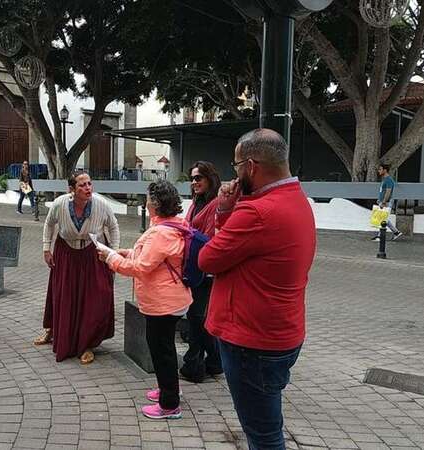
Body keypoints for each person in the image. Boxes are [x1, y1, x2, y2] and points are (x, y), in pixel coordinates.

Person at [199, 129, 316, 450]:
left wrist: (224, 211)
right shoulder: (296, 198)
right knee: (266, 428)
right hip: (281, 333)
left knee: (264, 437)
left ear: (251, 166)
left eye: (237, 166)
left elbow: (207, 259)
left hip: (251, 342)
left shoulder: (255, 212)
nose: (235, 175)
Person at [99, 180, 192, 419]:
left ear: (156, 204)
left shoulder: (161, 233)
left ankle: (169, 405)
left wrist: (110, 258)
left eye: (148, 199)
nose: (145, 202)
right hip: (170, 299)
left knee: (162, 351)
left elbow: (140, 267)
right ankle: (169, 388)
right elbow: (154, 258)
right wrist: (127, 253)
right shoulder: (171, 226)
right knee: (164, 348)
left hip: (163, 303)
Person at [35, 170, 120, 364]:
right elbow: (49, 224)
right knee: (62, 294)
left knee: (95, 297)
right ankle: (53, 330)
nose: (88, 188)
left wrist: (113, 254)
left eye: (89, 183)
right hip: (66, 251)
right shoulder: (60, 204)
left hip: (92, 252)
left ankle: (87, 343)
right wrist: (46, 249)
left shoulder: (101, 204)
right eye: (82, 185)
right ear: (71, 190)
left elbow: (113, 226)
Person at [179, 161, 223, 383]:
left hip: (205, 270)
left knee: (197, 317)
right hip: (194, 266)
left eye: (198, 178)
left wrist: (188, 233)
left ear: (209, 179)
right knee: (198, 318)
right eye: (192, 178)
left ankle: (193, 365)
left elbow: (208, 238)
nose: (194, 182)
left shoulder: (215, 204)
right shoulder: (197, 201)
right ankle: (215, 361)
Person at [372, 164, 403, 241]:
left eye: (380, 169)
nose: (379, 171)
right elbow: (382, 191)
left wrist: (384, 202)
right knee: (384, 218)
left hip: (386, 202)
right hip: (383, 201)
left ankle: (380, 236)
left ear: (385, 170)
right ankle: (396, 232)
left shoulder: (388, 180)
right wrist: (379, 199)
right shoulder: (384, 179)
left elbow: (388, 192)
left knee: (382, 218)